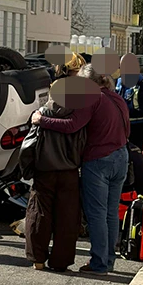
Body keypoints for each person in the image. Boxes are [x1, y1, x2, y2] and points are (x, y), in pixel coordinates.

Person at [34, 63, 129, 274]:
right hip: (121, 156)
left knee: (96, 214)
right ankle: (109, 260)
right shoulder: (117, 98)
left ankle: (99, 263)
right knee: (111, 213)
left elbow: (72, 125)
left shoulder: (92, 98)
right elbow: (127, 128)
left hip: (98, 159)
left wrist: (42, 120)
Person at [23, 95, 88, 272]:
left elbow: (29, 144)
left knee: (38, 213)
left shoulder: (42, 113)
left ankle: (38, 259)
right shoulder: (78, 116)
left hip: (44, 170)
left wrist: (27, 168)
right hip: (70, 173)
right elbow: (83, 143)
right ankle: (61, 261)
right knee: (67, 217)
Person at [120, 71, 143, 199]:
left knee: (140, 167)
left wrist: (126, 118)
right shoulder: (120, 82)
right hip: (124, 132)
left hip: (139, 132)